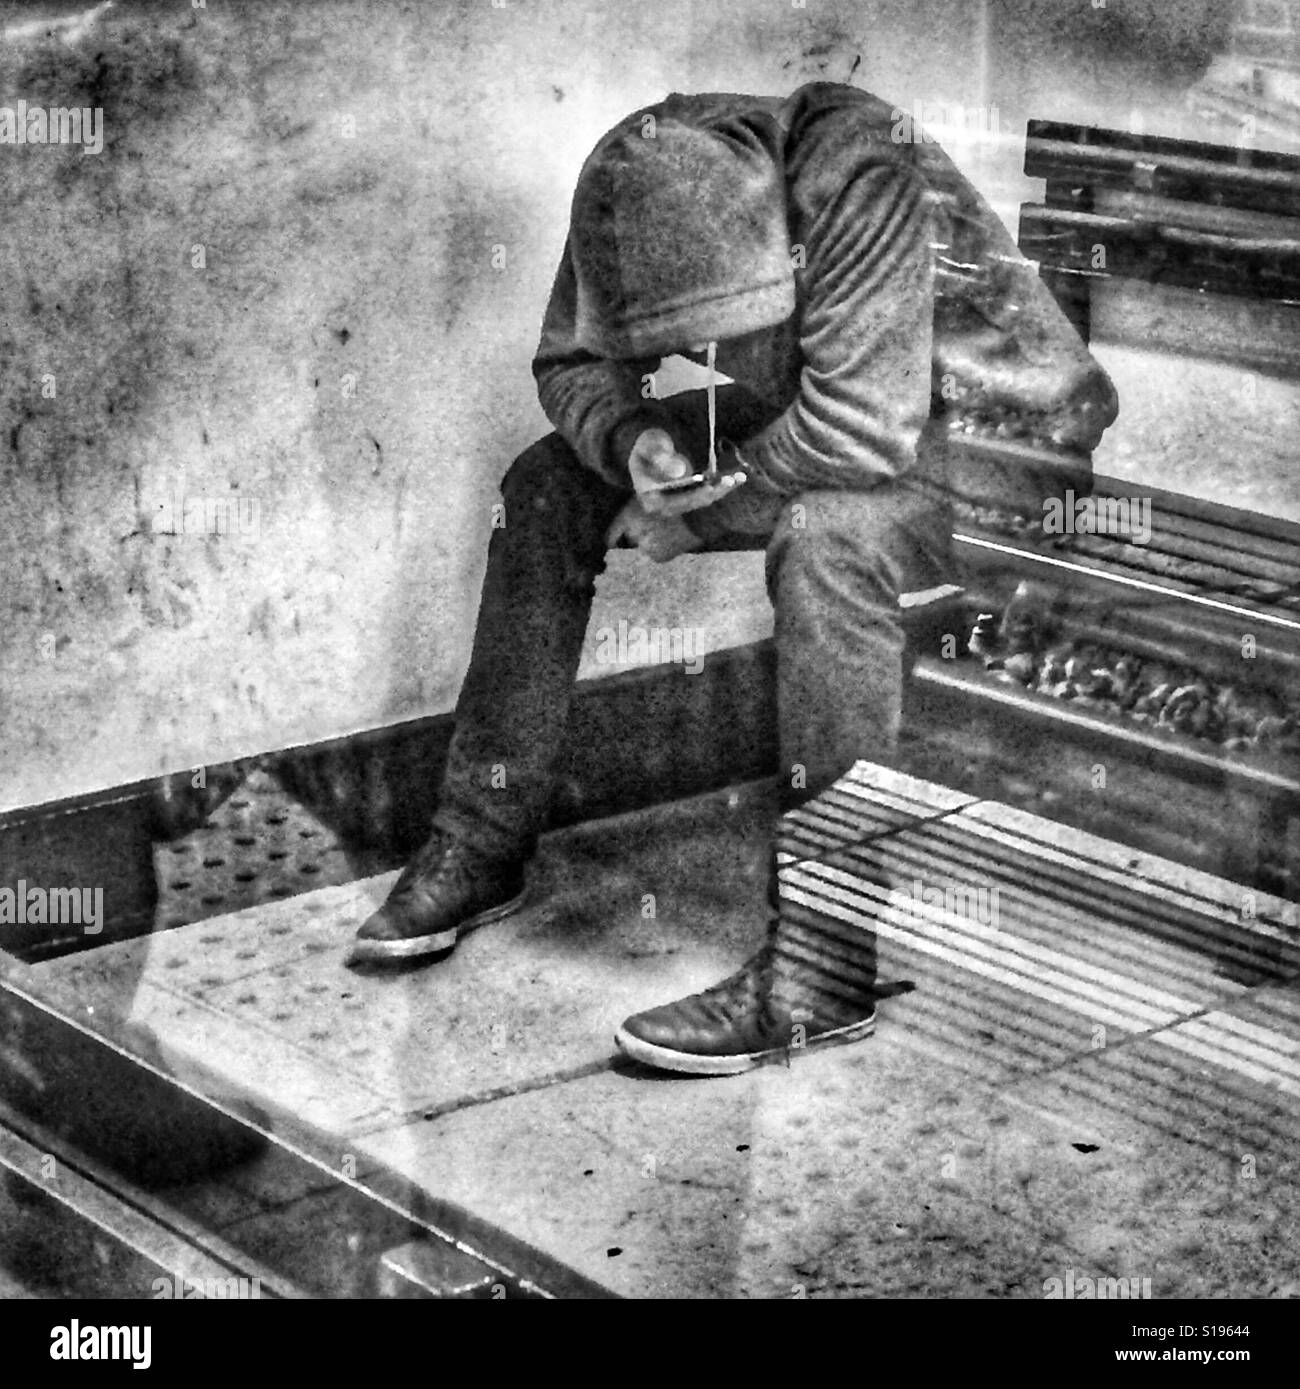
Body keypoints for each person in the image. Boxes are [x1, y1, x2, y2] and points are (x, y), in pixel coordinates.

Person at [347, 81, 1117, 1075]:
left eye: (714, 343)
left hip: (994, 460)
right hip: (814, 423)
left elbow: (860, 432)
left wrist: (700, 513)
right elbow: (569, 364)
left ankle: (822, 967)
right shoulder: (629, 174)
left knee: (824, 539)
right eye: (675, 349)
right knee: (543, 488)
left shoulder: (857, 172)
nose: (692, 368)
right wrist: (632, 441)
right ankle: (478, 840)